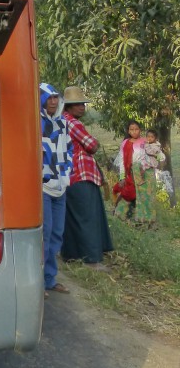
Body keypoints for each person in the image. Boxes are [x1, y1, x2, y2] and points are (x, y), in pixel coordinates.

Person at [60, 85, 113, 269]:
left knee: (74, 216)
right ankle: (92, 259)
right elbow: (92, 145)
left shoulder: (60, 120)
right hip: (82, 174)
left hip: (69, 176)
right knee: (87, 217)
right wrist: (94, 142)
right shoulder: (73, 123)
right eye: (78, 104)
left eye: (83, 103)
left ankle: (73, 255)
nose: (82, 107)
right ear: (68, 106)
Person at [40, 83, 72, 297]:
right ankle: (38, 282)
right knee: (45, 233)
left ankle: (50, 279)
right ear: (41, 100)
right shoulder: (36, 123)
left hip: (60, 186)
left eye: (55, 98)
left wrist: (67, 173)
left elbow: (68, 150)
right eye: (48, 98)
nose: (53, 102)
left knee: (57, 234)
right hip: (41, 187)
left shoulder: (63, 124)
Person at [113, 121, 145, 222]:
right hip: (128, 175)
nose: (134, 132)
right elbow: (122, 161)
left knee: (142, 198)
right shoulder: (125, 143)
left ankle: (142, 220)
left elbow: (148, 158)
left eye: (136, 129)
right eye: (132, 129)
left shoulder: (145, 142)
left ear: (140, 130)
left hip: (142, 175)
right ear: (128, 131)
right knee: (128, 194)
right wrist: (122, 178)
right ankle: (120, 215)